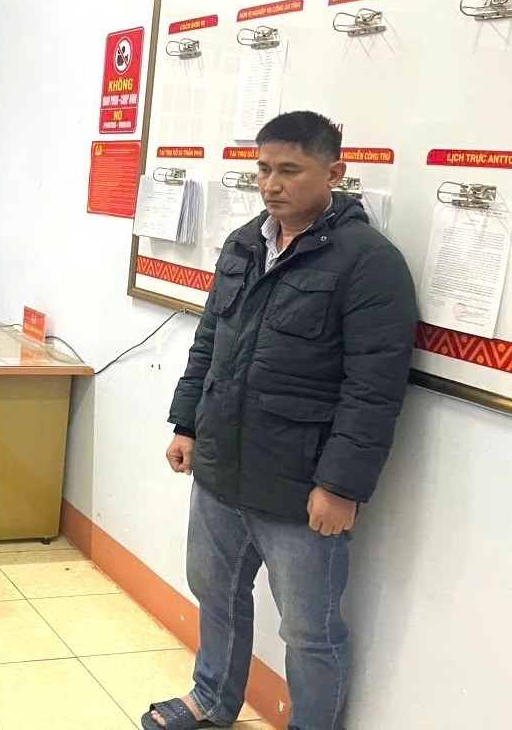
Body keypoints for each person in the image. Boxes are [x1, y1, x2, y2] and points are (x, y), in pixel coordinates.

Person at [144, 111, 418, 730]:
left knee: (308, 632)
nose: (271, 184)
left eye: (289, 170)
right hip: (221, 467)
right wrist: (187, 423)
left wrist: (340, 486)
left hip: (300, 486)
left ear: (334, 172)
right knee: (215, 593)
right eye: (264, 169)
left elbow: (373, 389)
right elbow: (210, 341)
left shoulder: (369, 262)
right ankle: (212, 700)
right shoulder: (245, 243)